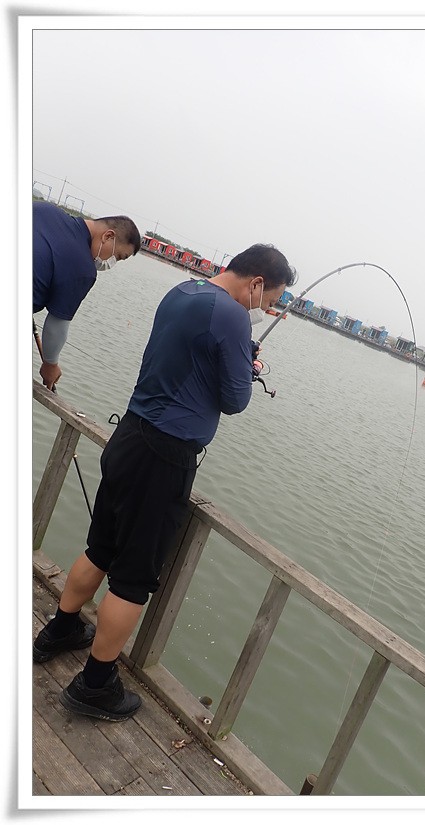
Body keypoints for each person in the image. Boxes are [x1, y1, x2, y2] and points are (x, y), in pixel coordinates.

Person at [33, 243, 297, 721]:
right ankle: (95, 685)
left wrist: (238, 356)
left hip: (130, 435)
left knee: (101, 547)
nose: (266, 308)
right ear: (257, 283)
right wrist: (248, 364)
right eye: (271, 299)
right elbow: (235, 400)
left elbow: (190, 359)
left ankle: (60, 630)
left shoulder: (183, 291)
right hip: (164, 457)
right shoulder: (233, 316)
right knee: (133, 579)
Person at [33, 200, 142, 389]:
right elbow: (56, 326)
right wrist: (50, 364)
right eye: (118, 256)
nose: (111, 262)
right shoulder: (83, 269)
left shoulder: (44, 209)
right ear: (108, 236)